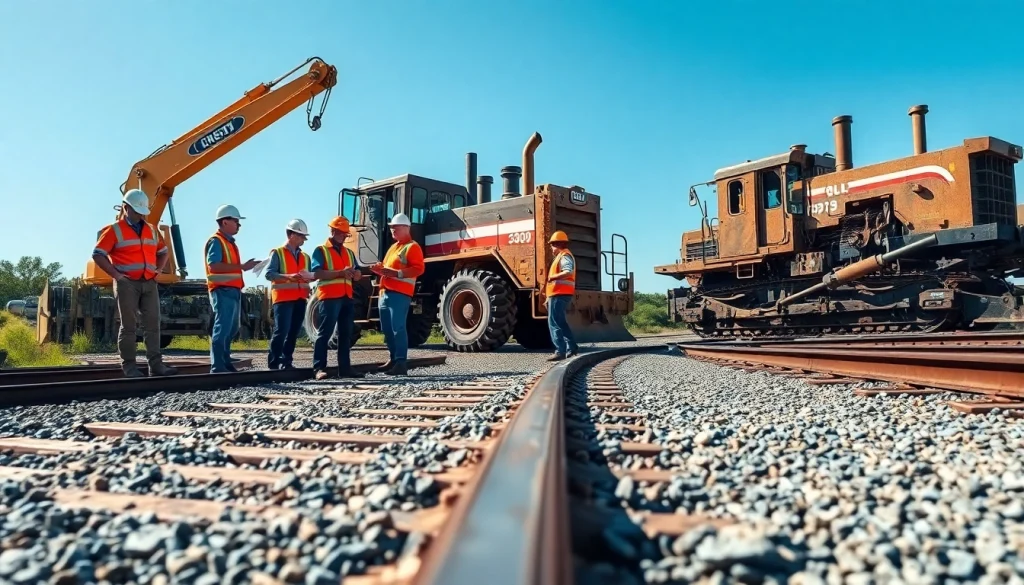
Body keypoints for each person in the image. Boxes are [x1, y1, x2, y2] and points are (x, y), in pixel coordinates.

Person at [91, 189, 180, 378]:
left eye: (142, 212)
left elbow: (163, 251)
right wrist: (116, 275)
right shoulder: (114, 230)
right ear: (126, 208)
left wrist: (157, 270)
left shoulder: (152, 229)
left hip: (148, 282)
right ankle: (130, 368)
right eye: (137, 211)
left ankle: (156, 366)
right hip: (127, 283)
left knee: (153, 324)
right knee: (129, 325)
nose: (140, 215)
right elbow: (98, 254)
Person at [204, 204, 259, 373]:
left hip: (232, 290)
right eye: (236, 221)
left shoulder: (228, 242)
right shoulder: (217, 241)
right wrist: (241, 266)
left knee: (231, 329)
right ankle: (218, 366)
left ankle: (225, 363)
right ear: (225, 222)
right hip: (222, 290)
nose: (238, 225)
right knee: (223, 328)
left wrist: (242, 267)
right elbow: (213, 266)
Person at [310, 216, 365, 380]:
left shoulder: (349, 252)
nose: (344, 236)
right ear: (332, 231)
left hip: (346, 297)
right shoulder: (321, 251)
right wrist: (341, 273)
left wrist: (356, 274)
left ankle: (345, 369)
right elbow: (317, 273)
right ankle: (318, 368)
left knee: (345, 334)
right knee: (325, 333)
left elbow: (358, 272)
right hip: (329, 297)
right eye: (341, 233)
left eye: (345, 234)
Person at [369, 213, 424, 376]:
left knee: (397, 328)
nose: (392, 230)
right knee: (387, 329)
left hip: (400, 294)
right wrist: (379, 268)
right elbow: (388, 267)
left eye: (396, 227)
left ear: (406, 228)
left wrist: (397, 273)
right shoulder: (394, 247)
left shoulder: (412, 247)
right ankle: (393, 359)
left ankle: (401, 362)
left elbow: (419, 268)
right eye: (392, 227)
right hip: (385, 292)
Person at [264, 219, 312, 370]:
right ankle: (273, 363)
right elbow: (269, 274)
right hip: (283, 298)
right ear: (291, 234)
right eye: (301, 235)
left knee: (293, 333)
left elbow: (309, 276)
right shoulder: (277, 253)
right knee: (281, 331)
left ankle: (287, 362)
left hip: (300, 299)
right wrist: (289, 277)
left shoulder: (305, 257)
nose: (304, 239)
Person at [545, 230, 579, 361]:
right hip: (560, 293)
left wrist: (553, 277)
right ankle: (572, 347)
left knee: (553, 322)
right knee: (560, 322)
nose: (551, 248)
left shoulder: (564, 256)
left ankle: (560, 351)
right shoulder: (563, 256)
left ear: (556, 244)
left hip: (559, 293)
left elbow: (568, 271)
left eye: (552, 245)